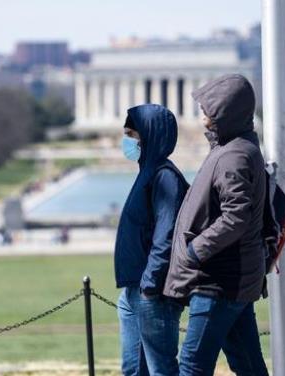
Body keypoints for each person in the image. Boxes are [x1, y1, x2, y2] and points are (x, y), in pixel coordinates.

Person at [163, 74, 269, 376]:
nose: (202, 114)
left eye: (208, 108)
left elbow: (236, 217)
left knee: (193, 367)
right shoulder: (235, 147)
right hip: (234, 278)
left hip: (217, 281)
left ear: (225, 111)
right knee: (248, 366)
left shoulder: (234, 156)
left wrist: (196, 250)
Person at [114, 104, 189, 376]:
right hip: (134, 291)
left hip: (152, 292)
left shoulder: (165, 177)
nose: (126, 142)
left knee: (161, 371)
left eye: (130, 134)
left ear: (148, 136)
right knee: (134, 369)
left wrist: (149, 285)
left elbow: (166, 236)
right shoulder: (147, 172)